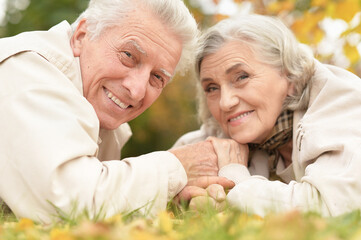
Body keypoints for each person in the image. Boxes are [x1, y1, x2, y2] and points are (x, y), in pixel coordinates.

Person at [0, 0, 234, 223]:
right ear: (82, 35)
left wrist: (170, 195)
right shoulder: (26, 70)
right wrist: (177, 167)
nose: (137, 91)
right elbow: (65, 206)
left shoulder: (98, 108)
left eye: (157, 77)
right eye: (129, 56)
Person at [174, 14, 361, 217]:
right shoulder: (225, 131)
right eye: (211, 88)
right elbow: (155, 174)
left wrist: (234, 178)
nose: (225, 102)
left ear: (290, 76)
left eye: (242, 77)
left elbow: (331, 207)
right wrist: (182, 192)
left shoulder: (341, 103)